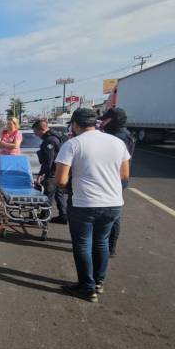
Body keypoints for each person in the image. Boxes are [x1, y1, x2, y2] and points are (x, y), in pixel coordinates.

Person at [55, 108, 131, 303]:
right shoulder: (117, 142)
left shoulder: (72, 144)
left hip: (84, 203)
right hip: (113, 203)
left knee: (82, 244)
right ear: (96, 123)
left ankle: (87, 287)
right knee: (102, 242)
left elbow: (61, 180)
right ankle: (98, 282)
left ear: (75, 124)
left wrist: (70, 187)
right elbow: (124, 175)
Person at [100, 107, 136, 257]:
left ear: (114, 120)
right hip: (113, 177)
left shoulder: (120, 137)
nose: (103, 122)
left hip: (115, 178)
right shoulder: (117, 134)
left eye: (106, 119)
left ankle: (109, 248)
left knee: (112, 215)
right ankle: (104, 243)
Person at [32, 119, 68, 224]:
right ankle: (63, 216)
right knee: (59, 194)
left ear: (42, 129)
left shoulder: (50, 140)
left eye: (35, 131)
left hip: (52, 173)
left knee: (47, 196)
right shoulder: (55, 136)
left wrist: (42, 174)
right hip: (58, 171)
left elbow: (49, 160)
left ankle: (43, 218)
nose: (35, 134)